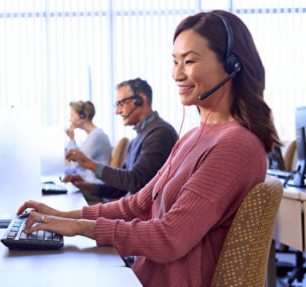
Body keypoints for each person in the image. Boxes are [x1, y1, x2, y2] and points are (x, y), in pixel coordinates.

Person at [16, 10, 281, 287]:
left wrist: (81, 228)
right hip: (143, 277)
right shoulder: (193, 136)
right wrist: (61, 216)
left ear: (232, 65)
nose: (177, 74)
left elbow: (171, 237)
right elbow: (137, 205)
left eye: (189, 61)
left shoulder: (236, 145)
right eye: (175, 61)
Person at [63, 78, 178, 200]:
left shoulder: (160, 133)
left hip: (148, 216)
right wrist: (89, 186)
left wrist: (91, 164)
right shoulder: (139, 137)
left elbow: (135, 181)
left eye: (121, 104)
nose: (117, 111)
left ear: (140, 100)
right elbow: (121, 186)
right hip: (135, 210)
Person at [64, 100, 112, 184]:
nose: (70, 119)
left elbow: (76, 163)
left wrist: (71, 139)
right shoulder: (92, 136)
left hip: (94, 184)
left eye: (72, 115)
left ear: (82, 116)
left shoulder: (96, 136)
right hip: (88, 181)